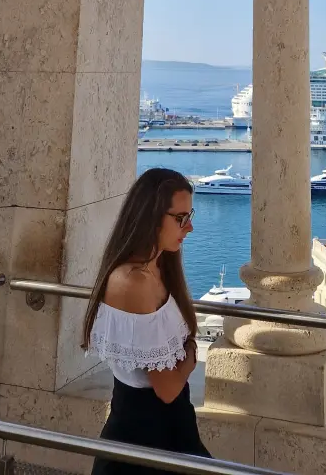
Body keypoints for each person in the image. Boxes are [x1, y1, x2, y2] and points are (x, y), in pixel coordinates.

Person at [83, 167, 211, 475]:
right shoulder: (133, 282)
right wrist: (190, 359)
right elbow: (166, 389)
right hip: (144, 437)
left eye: (189, 215)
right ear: (151, 216)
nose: (190, 227)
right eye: (180, 218)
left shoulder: (159, 267)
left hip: (171, 428)